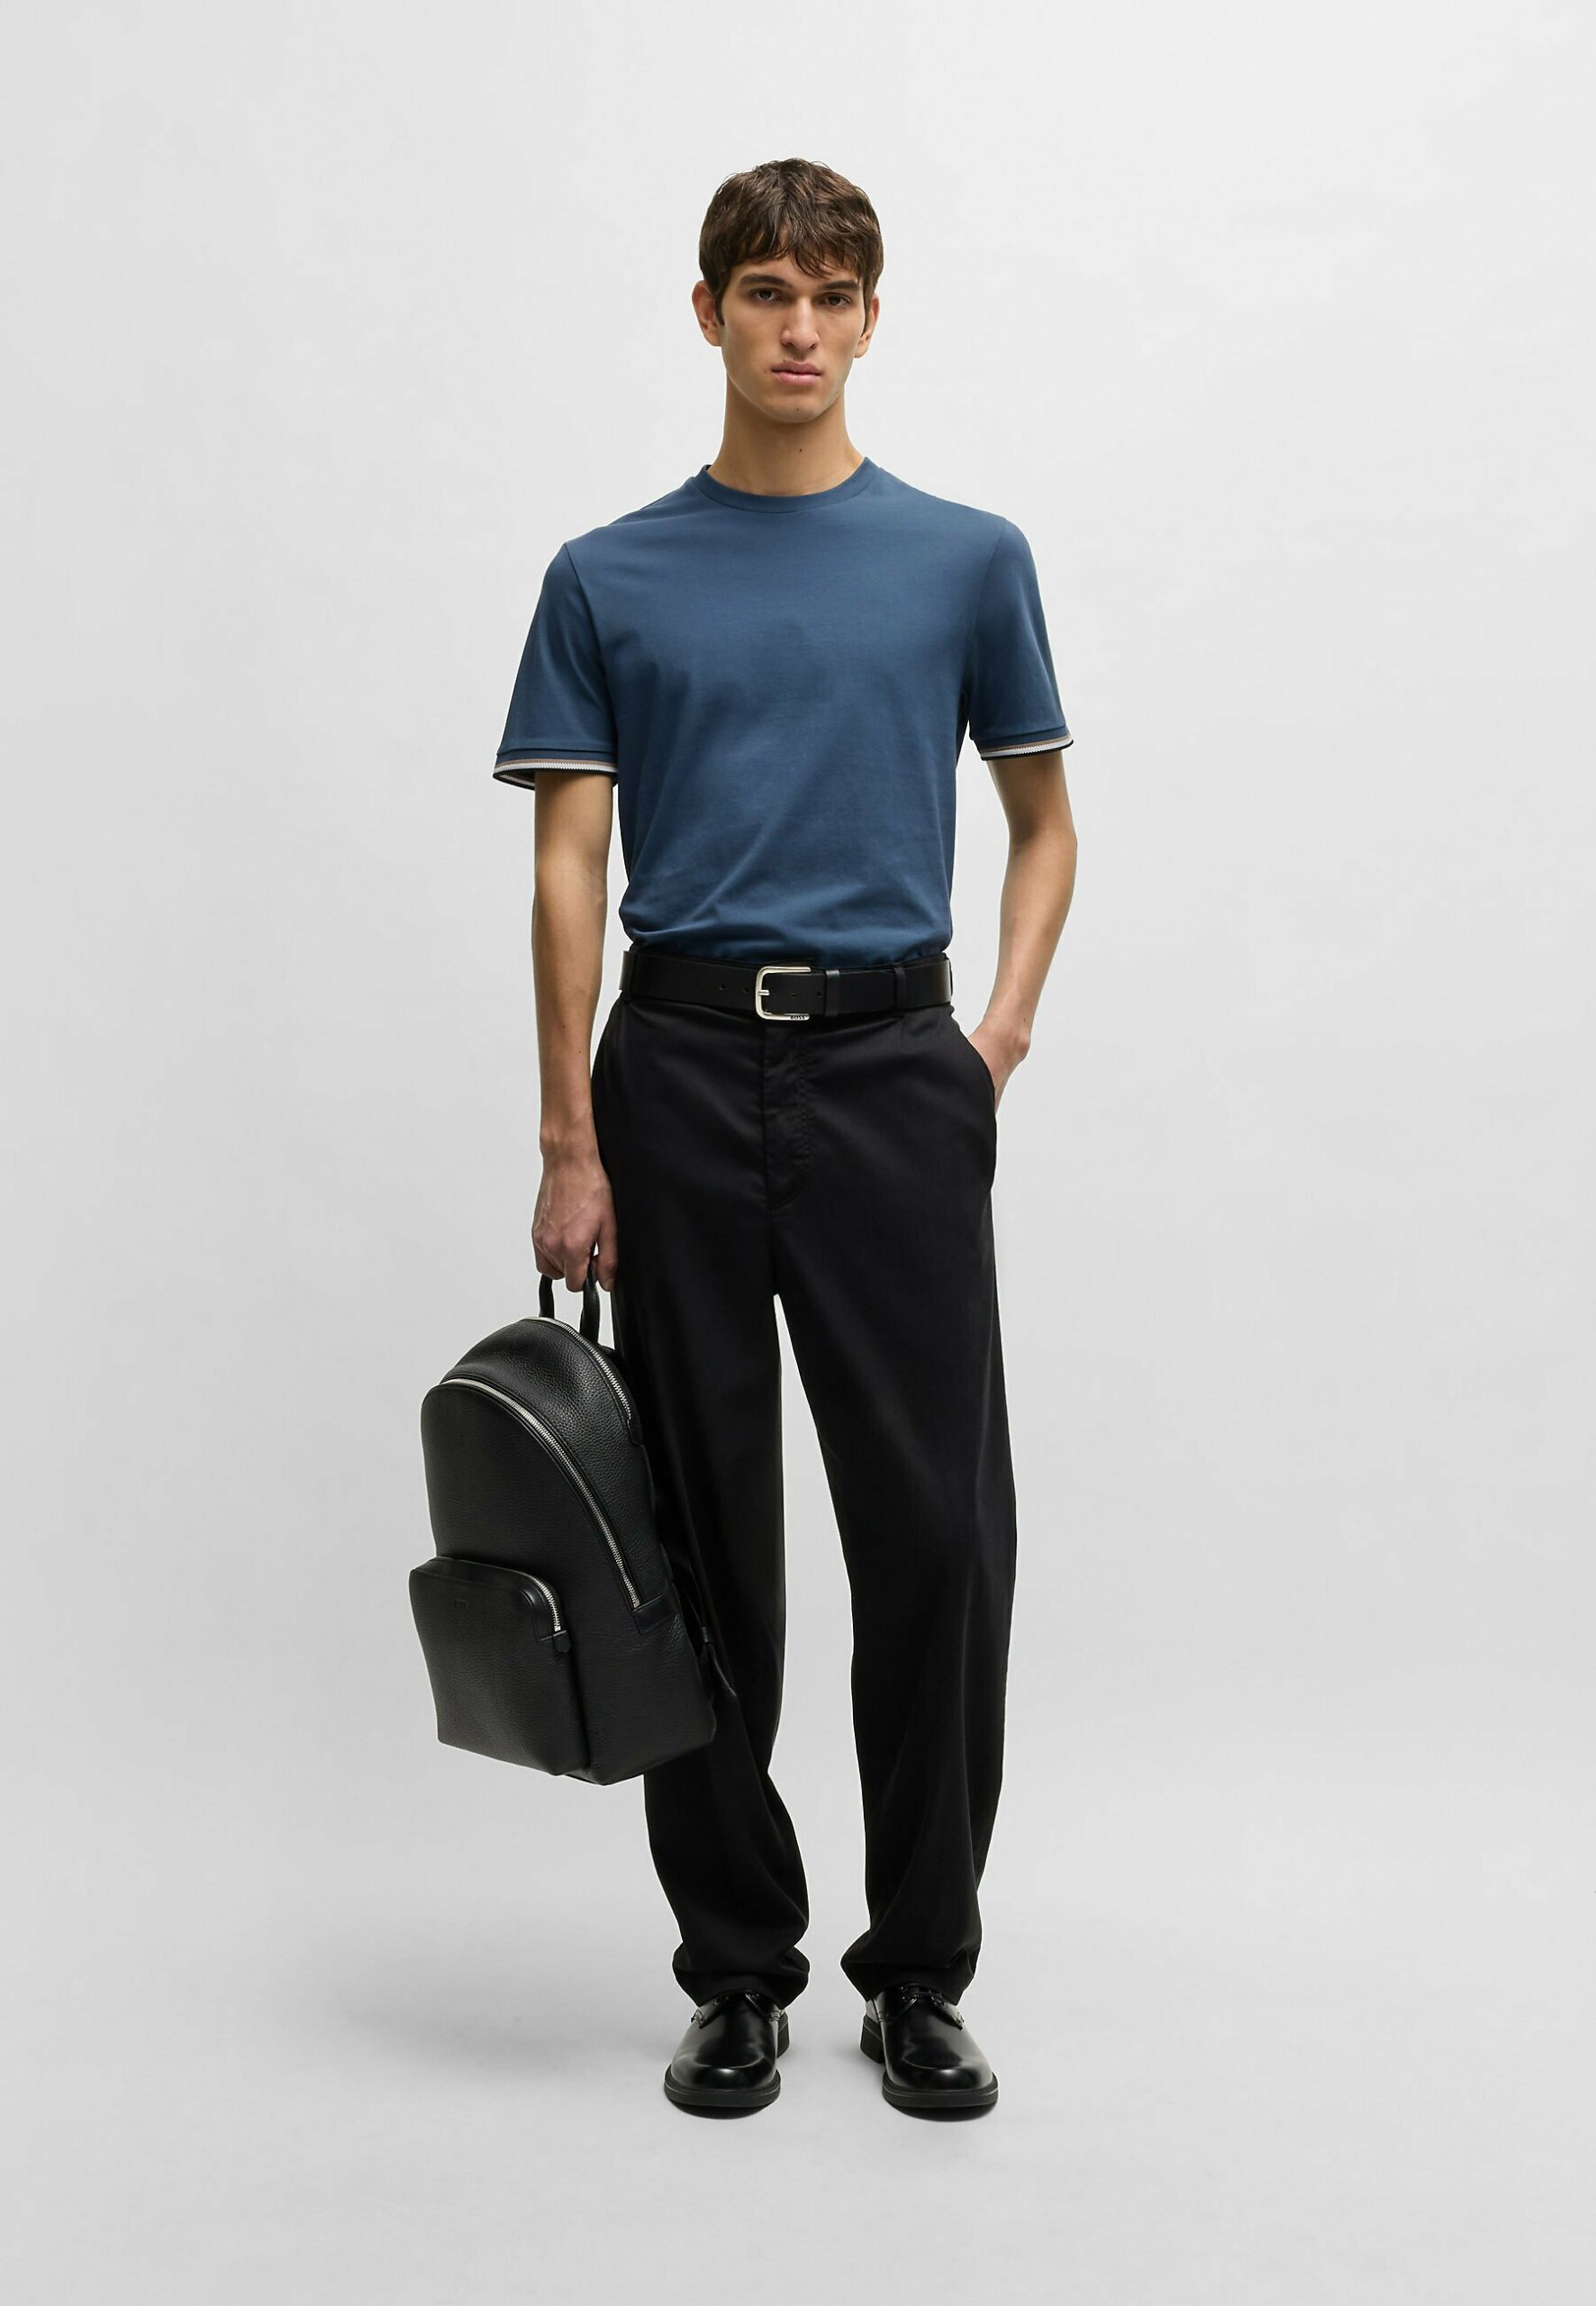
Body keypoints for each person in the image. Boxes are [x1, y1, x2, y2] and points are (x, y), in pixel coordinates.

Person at [493, 157, 1079, 2119]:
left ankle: (920, 1971)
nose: (800, 326)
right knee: (698, 1543)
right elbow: (569, 869)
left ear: (872, 319)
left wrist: (990, 1040)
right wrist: (568, 1135)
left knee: (939, 1534)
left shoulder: (966, 558)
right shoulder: (608, 574)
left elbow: (1045, 821)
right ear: (709, 314)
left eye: (832, 294)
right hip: (670, 1068)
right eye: (766, 290)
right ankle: (737, 1967)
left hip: (894, 1069)